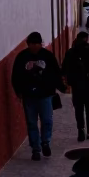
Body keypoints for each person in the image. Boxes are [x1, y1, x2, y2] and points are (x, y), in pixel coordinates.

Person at [11, 32, 65, 161]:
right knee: (31, 123)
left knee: (47, 120)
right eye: (32, 44)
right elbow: (16, 76)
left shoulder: (48, 56)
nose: (34, 46)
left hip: (45, 95)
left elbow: (55, 73)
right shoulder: (22, 57)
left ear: (41, 44)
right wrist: (18, 91)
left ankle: (45, 141)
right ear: (28, 44)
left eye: (37, 44)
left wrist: (60, 87)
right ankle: (35, 148)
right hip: (29, 95)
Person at [62, 31, 89, 142]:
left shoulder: (71, 52)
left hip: (77, 86)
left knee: (79, 109)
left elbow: (64, 68)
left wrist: (67, 82)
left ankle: (81, 129)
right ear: (86, 38)